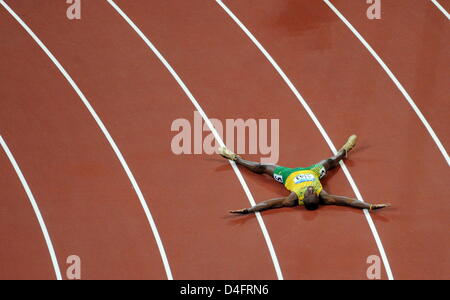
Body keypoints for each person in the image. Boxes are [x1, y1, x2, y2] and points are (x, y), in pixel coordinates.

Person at [218, 135, 390, 214]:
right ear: (316, 196)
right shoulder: (323, 196)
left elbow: (269, 204)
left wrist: (249, 210)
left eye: (308, 192)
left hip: (288, 175)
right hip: (312, 171)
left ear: (304, 198)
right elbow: (348, 201)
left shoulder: (292, 198)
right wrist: (368, 205)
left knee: (262, 167)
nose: (309, 189)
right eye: (312, 191)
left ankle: (234, 157)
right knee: (330, 161)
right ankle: (345, 149)